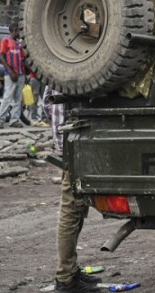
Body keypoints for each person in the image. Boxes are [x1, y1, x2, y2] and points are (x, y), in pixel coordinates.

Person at [49, 89, 103, 293]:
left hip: (73, 142)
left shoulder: (59, 66)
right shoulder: (68, 70)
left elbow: (49, 107)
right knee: (71, 209)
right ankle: (65, 278)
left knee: (76, 208)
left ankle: (69, 270)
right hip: (74, 144)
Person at [0, 22, 26, 129]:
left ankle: (14, 120)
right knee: (7, 97)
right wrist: (10, 72)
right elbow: (1, 57)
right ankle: (0, 120)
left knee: (18, 99)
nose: (20, 32)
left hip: (20, 73)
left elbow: (23, 59)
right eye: (19, 30)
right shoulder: (5, 40)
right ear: (15, 30)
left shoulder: (19, 43)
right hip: (10, 74)